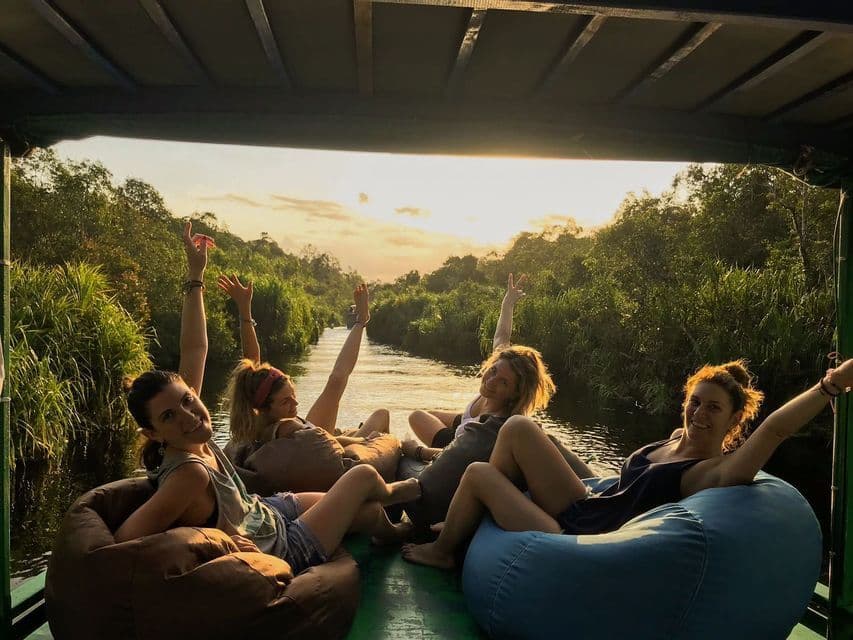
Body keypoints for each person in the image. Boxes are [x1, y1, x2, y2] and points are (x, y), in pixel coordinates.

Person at [115, 222, 419, 575]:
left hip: (264, 511)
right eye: (168, 417)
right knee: (364, 478)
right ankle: (396, 494)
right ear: (153, 433)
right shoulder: (189, 473)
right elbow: (125, 540)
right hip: (282, 547)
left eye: (187, 400)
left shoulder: (191, 439)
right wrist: (219, 543)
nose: (188, 415)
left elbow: (196, 348)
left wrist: (196, 276)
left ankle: (391, 528)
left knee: (364, 511)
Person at [402, 358, 853, 569]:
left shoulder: (714, 472)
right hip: (586, 504)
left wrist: (831, 385)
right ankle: (469, 516)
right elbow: (636, 473)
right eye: (694, 402)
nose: (698, 414)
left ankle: (444, 551)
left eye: (713, 409)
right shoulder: (677, 441)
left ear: (735, 420)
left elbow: (774, 429)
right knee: (518, 429)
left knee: (480, 473)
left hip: (586, 536)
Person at [219, 274, 389, 448]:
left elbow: (251, 364)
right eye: (286, 401)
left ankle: (361, 321)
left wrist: (244, 309)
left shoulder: (259, 418)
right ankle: (361, 321)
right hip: (317, 449)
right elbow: (329, 441)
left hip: (311, 434)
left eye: (293, 395)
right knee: (377, 412)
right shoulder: (287, 429)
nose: (296, 403)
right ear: (263, 408)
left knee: (337, 381)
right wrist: (365, 441)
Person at [403, 274, 541, 459]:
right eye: (493, 370)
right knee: (419, 416)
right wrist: (508, 303)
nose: (491, 381)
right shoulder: (504, 368)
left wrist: (416, 450)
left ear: (515, 392)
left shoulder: (496, 424)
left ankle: (458, 434)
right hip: (465, 425)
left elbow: (460, 458)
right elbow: (501, 336)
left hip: (460, 445)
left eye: (503, 383)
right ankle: (461, 428)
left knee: (418, 419)